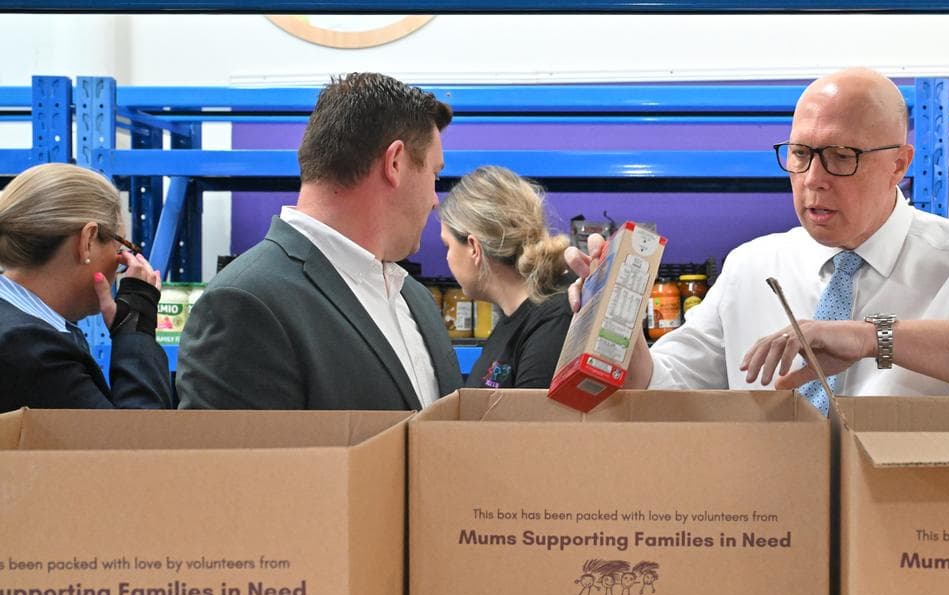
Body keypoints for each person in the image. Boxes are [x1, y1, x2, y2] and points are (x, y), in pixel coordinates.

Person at [567, 68, 949, 407]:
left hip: (905, 544)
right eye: (802, 154)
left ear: (900, 164)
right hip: (771, 535)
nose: (813, 179)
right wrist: (617, 332)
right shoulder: (752, 267)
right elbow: (663, 388)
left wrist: (874, 338)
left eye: (842, 156)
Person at [177, 72, 462, 409]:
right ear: (395, 162)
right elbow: (235, 461)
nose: (435, 199)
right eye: (435, 174)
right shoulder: (246, 304)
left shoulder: (413, 297)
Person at [0, 162, 170, 411]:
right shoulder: (29, 348)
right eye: (119, 246)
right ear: (87, 241)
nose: (120, 261)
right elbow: (137, 443)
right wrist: (136, 327)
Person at [438, 166, 573, 389]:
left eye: (448, 245)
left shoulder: (554, 321)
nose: (448, 258)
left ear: (474, 248)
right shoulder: (514, 319)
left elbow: (533, 423)